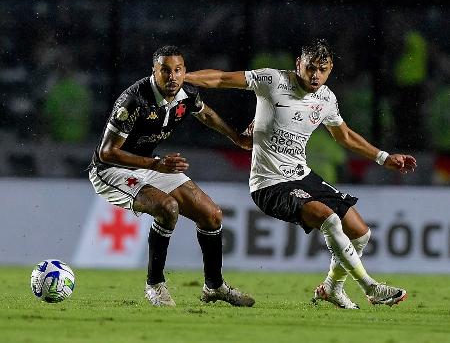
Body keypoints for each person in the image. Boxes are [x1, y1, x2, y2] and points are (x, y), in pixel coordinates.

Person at [185, 38, 417, 309]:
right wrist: (184, 78)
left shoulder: (326, 98)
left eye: (323, 69)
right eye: (310, 68)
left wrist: (384, 157)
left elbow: (344, 136)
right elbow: (223, 79)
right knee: (329, 219)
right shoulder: (272, 81)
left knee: (360, 232)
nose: (316, 75)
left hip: (302, 175)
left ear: (330, 70)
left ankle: (332, 288)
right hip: (269, 183)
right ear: (298, 65)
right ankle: (371, 287)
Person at [88, 45, 254, 307]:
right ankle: (154, 285)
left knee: (212, 215)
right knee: (167, 207)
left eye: (178, 70)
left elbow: (206, 114)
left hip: (151, 165)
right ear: (154, 72)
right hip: (111, 170)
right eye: (165, 70)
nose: (173, 77)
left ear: (185, 71)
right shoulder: (134, 100)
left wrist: (236, 138)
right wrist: (155, 165)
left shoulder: (187, 92)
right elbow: (107, 153)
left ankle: (215, 286)